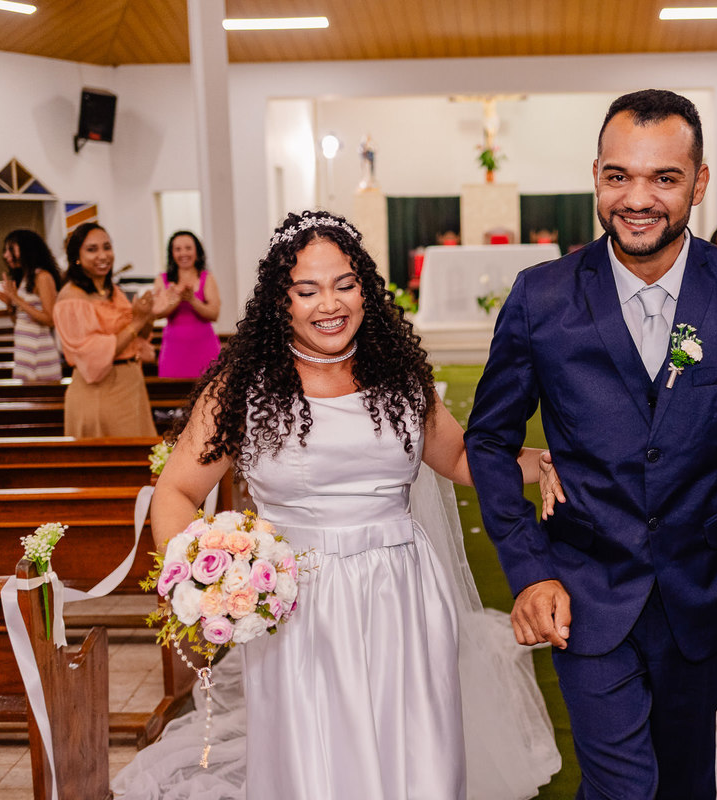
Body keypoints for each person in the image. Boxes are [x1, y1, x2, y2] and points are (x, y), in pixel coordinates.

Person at [117, 211, 561, 799]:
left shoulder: (399, 377)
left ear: (366, 289)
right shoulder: (244, 384)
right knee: (314, 760)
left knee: (415, 748)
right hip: (298, 599)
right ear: (282, 300)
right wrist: (201, 582)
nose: (330, 303)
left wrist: (547, 462)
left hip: (402, 591)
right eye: (308, 290)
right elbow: (176, 491)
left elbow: (461, 460)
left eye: (344, 284)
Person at [465, 90, 717, 799]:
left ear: (699, 182)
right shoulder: (543, 297)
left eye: (664, 178)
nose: (637, 198)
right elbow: (491, 441)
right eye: (618, 175)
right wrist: (527, 569)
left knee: (684, 782)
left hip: (698, 591)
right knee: (624, 787)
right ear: (596, 175)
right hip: (583, 589)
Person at [53, 222, 158, 437]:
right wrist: (136, 322)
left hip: (130, 386)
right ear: (77, 257)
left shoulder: (112, 291)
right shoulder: (71, 298)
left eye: (107, 247)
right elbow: (94, 357)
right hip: (100, 391)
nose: (103, 255)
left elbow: (136, 338)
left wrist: (148, 315)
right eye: (92, 250)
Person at [0, 229, 64, 382]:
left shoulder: (43, 277)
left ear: (26, 249)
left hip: (40, 351)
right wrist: (10, 305)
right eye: (5, 250)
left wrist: (16, 299)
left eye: (10, 249)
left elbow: (49, 319)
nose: (6, 255)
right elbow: (19, 321)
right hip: (24, 349)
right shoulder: (25, 277)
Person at [152, 230, 222, 379]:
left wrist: (192, 300)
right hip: (173, 349)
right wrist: (176, 301)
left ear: (197, 251)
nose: (183, 253)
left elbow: (214, 314)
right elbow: (156, 313)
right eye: (178, 249)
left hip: (204, 346)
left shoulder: (207, 278)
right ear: (172, 253)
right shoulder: (162, 279)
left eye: (188, 248)